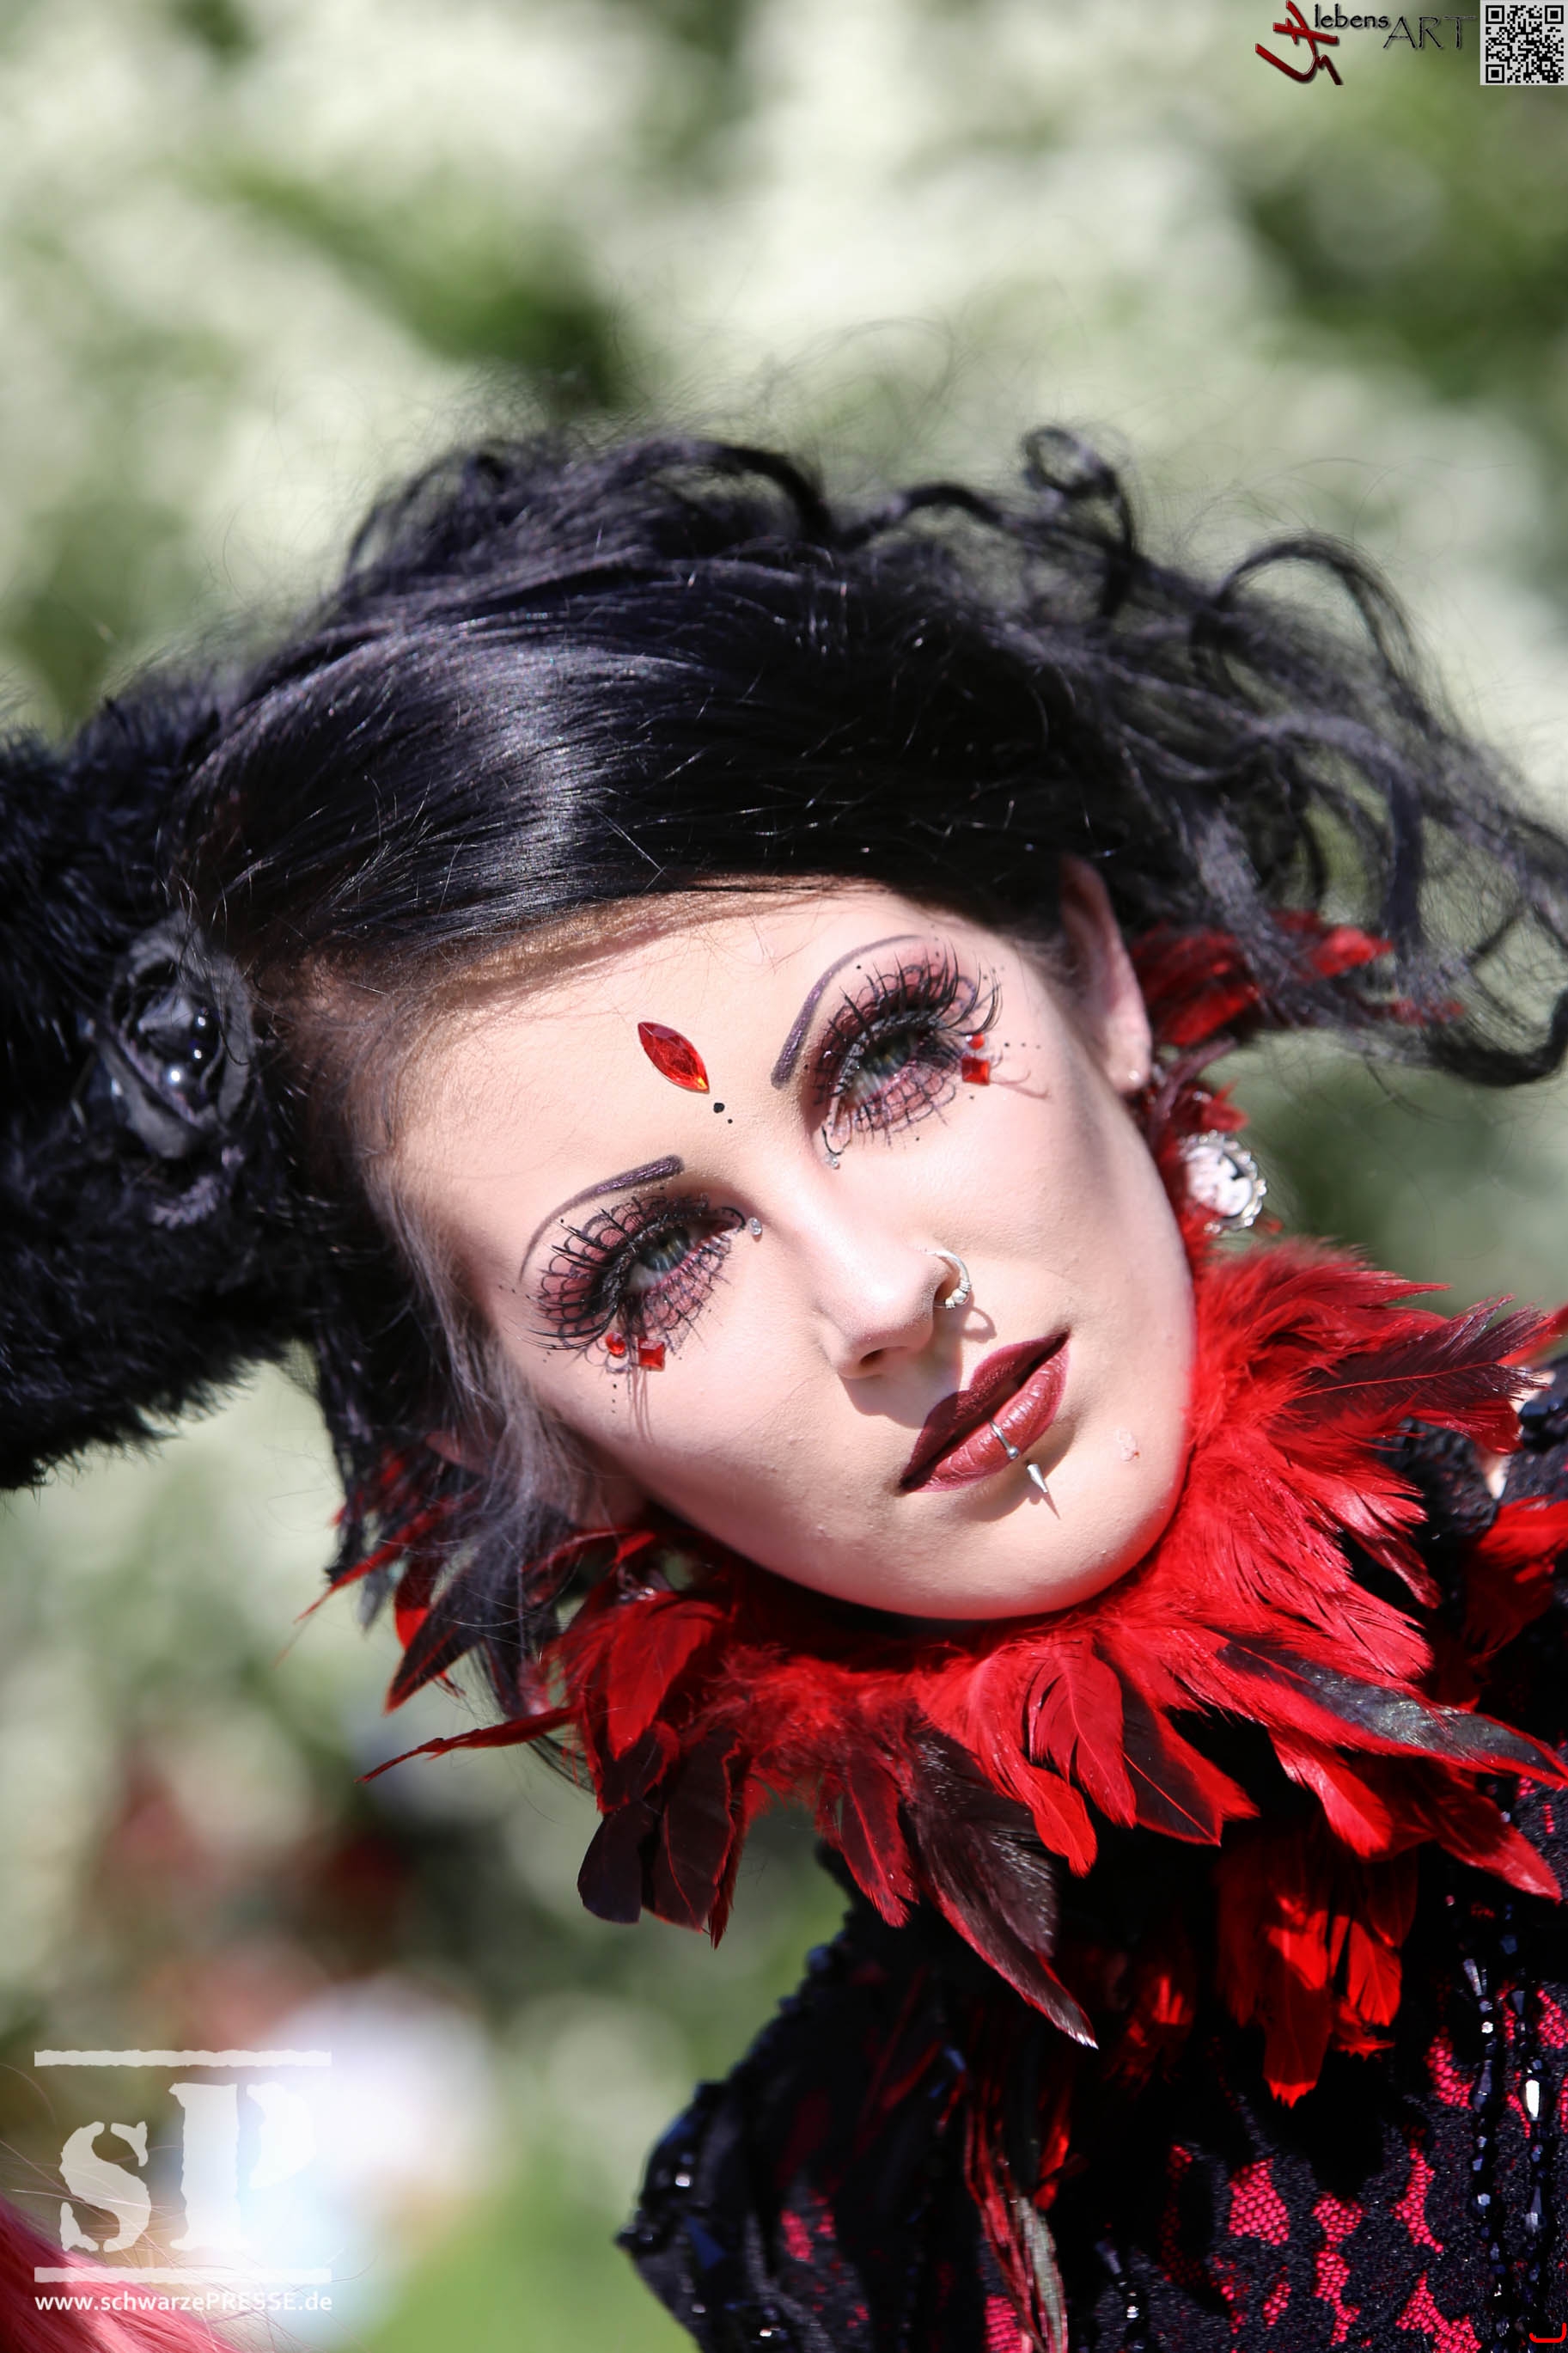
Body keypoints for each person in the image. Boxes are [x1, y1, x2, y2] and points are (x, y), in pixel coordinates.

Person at [8, 427, 1568, 2353]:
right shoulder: (828, 2229)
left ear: (1090, 974)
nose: (881, 1292)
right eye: (649, 1263)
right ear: (512, 1435)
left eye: (892, 1059)